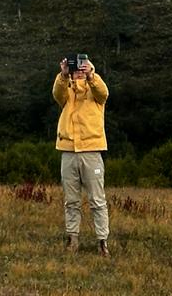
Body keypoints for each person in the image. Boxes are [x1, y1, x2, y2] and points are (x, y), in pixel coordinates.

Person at [52, 56, 110, 256]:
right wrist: (63, 75)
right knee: (71, 200)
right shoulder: (66, 89)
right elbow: (57, 94)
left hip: (91, 150)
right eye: (76, 68)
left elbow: (104, 93)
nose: (79, 71)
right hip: (68, 151)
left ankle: (102, 241)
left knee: (97, 200)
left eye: (82, 67)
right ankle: (72, 238)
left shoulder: (95, 91)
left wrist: (91, 76)